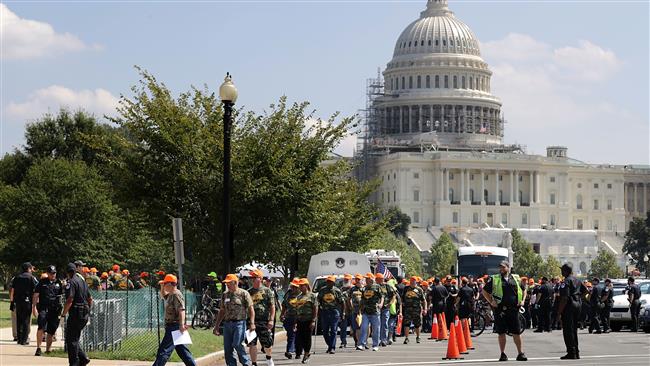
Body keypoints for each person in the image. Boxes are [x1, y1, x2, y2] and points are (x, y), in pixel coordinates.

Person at [482, 261, 527, 362]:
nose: (501, 269)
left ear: (508, 267)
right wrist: (491, 301)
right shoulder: (495, 279)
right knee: (501, 332)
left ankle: (520, 353)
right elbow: (484, 291)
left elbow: (524, 289)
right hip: (500, 310)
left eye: (503, 267)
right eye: (500, 267)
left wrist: (523, 300)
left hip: (513, 309)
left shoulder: (516, 278)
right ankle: (502, 354)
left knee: (516, 332)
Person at [152, 274, 196, 366]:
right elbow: (164, 296)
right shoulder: (171, 294)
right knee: (183, 352)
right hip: (173, 326)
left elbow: (181, 310)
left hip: (174, 327)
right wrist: (162, 286)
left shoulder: (176, 294)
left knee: (163, 351)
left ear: (171, 284)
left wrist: (181, 325)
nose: (164, 285)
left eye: (165, 284)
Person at [213, 274, 255, 366]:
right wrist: (216, 326)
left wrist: (252, 323)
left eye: (229, 283)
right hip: (227, 324)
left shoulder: (244, 293)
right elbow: (222, 311)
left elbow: (251, 309)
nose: (227, 284)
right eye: (226, 283)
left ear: (235, 283)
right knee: (227, 348)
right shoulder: (225, 295)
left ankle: (246, 363)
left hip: (239, 323)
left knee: (237, 344)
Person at [61, 262, 93, 366]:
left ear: (67, 272)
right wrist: (88, 310)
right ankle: (83, 358)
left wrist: (63, 314)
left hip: (76, 313)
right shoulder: (82, 281)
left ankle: (74, 363)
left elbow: (70, 299)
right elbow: (90, 298)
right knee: (74, 338)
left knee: (71, 340)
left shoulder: (71, 282)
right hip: (84, 313)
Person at [556, 263, 587, 360]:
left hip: (569, 306)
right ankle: (576, 352)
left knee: (568, 331)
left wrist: (559, 312)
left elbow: (564, 298)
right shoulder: (577, 280)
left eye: (562, 270)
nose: (561, 272)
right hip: (577, 305)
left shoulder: (566, 281)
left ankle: (571, 353)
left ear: (565, 271)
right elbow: (586, 291)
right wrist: (577, 298)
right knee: (574, 329)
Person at [32, 265, 64, 356]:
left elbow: (61, 296)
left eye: (54, 273)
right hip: (43, 308)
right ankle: (38, 348)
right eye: (51, 273)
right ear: (47, 273)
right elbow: (36, 295)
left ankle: (48, 350)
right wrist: (33, 307)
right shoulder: (42, 282)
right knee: (41, 327)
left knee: (51, 330)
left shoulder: (59, 283)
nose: (53, 275)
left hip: (54, 310)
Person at [247, 270, 276, 366]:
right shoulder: (248, 292)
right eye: (252, 278)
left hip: (264, 321)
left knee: (267, 343)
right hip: (251, 321)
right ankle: (254, 363)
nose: (253, 279)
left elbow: (272, 306)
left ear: (260, 279)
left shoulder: (267, 291)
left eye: (255, 277)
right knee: (252, 343)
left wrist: (271, 320)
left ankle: (269, 357)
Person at [12, 262, 38, 345]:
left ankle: (19, 339)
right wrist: (35, 303)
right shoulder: (31, 278)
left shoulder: (16, 277)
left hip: (18, 301)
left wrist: (12, 301)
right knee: (26, 320)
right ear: (28, 269)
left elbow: (12, 290)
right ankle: (24, 339)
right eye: (31, 268)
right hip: (27, 301)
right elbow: (35, 290)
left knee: (19, 320)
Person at [317, 275, 343, 354]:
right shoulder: (322, 290)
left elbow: (342, 302)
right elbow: (318, 300)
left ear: (333, 282)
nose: (329, 283)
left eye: (331, 282)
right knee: (324, 331)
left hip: (334, 312)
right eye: (328, 281)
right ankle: (330, 345)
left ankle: (332, 348)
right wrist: (318, 311)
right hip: (324, 312)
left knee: (333, 330)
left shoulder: (337, 291)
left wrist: (343, 312)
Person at [358, 273, 384, 351]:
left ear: (371, 279)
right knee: (364, 327)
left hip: (375, 312)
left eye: (367, 279)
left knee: (375, 329)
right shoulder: (364, 288)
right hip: (365, 312)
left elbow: (382, 296)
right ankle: (362, 344)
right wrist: (360, 310)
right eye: (366, 279)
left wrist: (381, 304)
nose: (366, 280)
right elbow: (362, 299)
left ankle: (375, 345)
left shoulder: (377, 287)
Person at [294, 278, 317, 363]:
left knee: (307, 338)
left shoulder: (312, 296)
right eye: (299, 285)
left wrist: (313, 320)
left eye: (301, 285)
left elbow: (315, 308)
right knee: (299, 338)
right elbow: (297, 309)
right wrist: (295, 322)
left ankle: (306, 354)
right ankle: (305, 352)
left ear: (306, 286)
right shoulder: (298, 297)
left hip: (308, 320)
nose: (300, 287)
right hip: (300, 320)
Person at [401, 276, 426, 344]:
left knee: (417, 324)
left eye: (414, 281)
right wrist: (402, 304)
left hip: (416, 309)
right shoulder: (406, 289)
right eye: (411, 281)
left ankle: (418, 337)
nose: (412, 283)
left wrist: (425, 309)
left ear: (416, 282)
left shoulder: (419, 289)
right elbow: (402, 298)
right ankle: (406, 338)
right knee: (406, 324)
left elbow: (424, 300)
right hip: (407, 309)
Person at [280, 278, 300, 359]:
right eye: (292, 286)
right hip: (288, 316)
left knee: (294, 334)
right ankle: (292, 349)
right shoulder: (288, 293)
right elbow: (284, 304)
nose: (293, 288)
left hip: (299, 317)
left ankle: (290, 350)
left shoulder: (302, 295)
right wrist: (282, 314)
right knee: (290, 334)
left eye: (295, 287)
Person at [375, 273, 396, 347]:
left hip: (385, 308)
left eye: (378, 279)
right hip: (375, 309)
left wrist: (390, 304)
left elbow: (394, 295)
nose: (376, 280)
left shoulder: (387, 286)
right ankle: (377, 340)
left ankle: (383, 340)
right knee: (377, 325)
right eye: (376, 279)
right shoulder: (374, 286)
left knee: (384, 324)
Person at [347, 274, 364, 348]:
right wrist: (350, 306)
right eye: (356, 279)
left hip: (363, 311)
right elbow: (348, 298)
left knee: (363, 327)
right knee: (355, 328)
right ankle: (356, 342)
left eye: (359, 279)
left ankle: (362, 342)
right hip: (354, 311)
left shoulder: (364, 289)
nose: (357, 280)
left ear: (361, 280)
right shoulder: (352, 289)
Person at [338, 274, 353, 348]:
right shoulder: (340, 290)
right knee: (343, 328)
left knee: (355, 327)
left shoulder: (354, 289)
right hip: (344, 312)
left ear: (350, 280)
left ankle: (358, 342)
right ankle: (343, 342)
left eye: (347, 280)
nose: (346, 281)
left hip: (354, 312)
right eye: (345, 280)